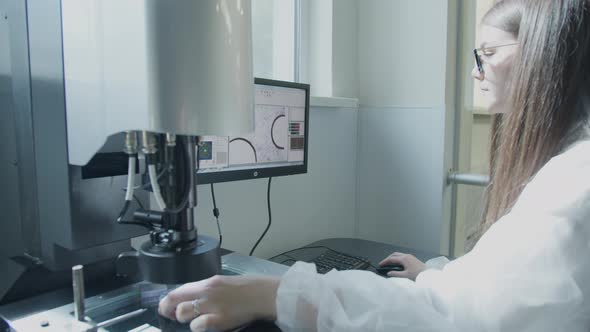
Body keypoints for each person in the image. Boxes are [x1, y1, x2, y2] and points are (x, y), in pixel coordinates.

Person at [159, 0, 590, 331]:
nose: (477, 72)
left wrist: (275, 293)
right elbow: (491, 290)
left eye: (488, 53)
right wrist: (435, 274)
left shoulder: (575, 185)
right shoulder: (570, 165)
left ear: (543, 54)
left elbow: (457, 320)